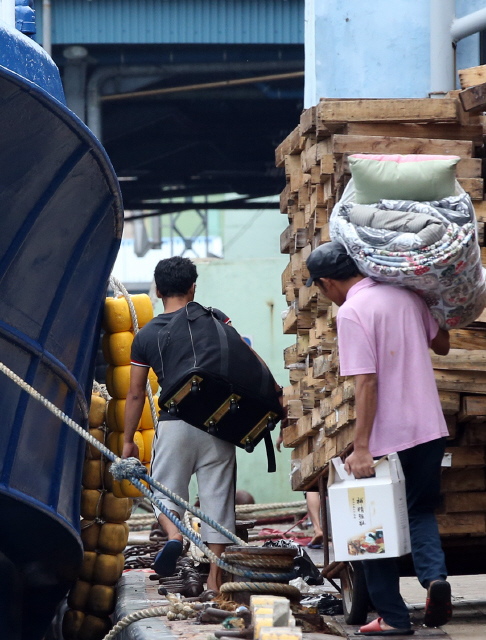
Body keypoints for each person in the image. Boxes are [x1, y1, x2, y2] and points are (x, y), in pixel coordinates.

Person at [306, 241, 452, 636]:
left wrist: (363, 446)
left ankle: (393, 616)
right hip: (430, 427)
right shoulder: (406, 296)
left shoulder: (352, 311)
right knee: (420, 511)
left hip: (389, 438)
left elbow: (366, 382)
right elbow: (443, 344)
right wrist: (428, 302)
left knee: (369, 526)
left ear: (327, 282)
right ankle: (434, 579)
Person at [122, 256, 236, 592]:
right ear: (193, 288)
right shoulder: (217, 319)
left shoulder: (147, 336)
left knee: (164, 492)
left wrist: (129, 440)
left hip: (174, 424)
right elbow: (246, 359)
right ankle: (216, 582)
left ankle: (174, 535)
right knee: (217, 501)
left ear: (157, 291)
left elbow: (134, 394)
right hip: (218, 423)